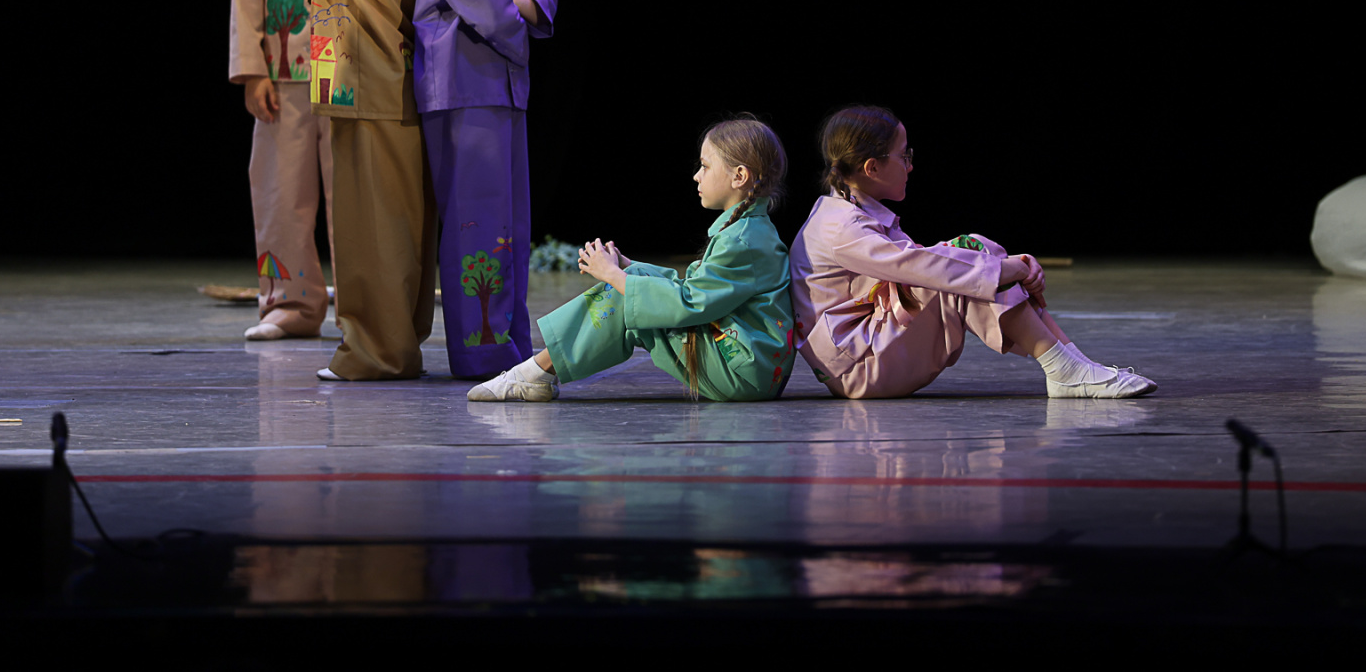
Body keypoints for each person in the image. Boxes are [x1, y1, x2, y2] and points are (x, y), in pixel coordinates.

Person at [791, 105, 1157, 400]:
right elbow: (919, 266)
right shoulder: (841, 227)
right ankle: (1065, 369)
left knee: (970, 254)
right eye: (904, 156)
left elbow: (923, 263)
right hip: (859, 368)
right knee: (964, 262)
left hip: (868, 349)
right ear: (872, 168)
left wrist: (1007, 265)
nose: (910, 165)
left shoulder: (851, 212)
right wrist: (1007, 268)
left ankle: (1071, 362)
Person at [274, 0, 437, 381]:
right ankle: (404, 340)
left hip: (358, 81)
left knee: (367, 229)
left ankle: (376, 353)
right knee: (408, 221)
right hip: (413, 81)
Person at [468, 118, 796, 403]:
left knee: (624, 299)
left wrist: (614, 277)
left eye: (705, 167)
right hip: (751, 368)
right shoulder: (747, 232)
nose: (697, 176)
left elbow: (690, 303)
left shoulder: (742, 241)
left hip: (743, 372)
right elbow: (696, 288)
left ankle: (534, 373)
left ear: (739, 176)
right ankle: (538, 372)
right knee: (633, 283)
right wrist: (628, 267)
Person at [414, 0, 557, 379]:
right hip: (463, 94)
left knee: (508, 226)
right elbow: (490, 12)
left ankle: (507, 345)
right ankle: (482, 352)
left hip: (497, 92)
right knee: (477, 223)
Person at [229, 0, 347, 340]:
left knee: (352, 193)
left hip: (346, 70)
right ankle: (291, 304)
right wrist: (252, 70)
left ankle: (362, 311)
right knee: (281, 191)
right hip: (283, 73)